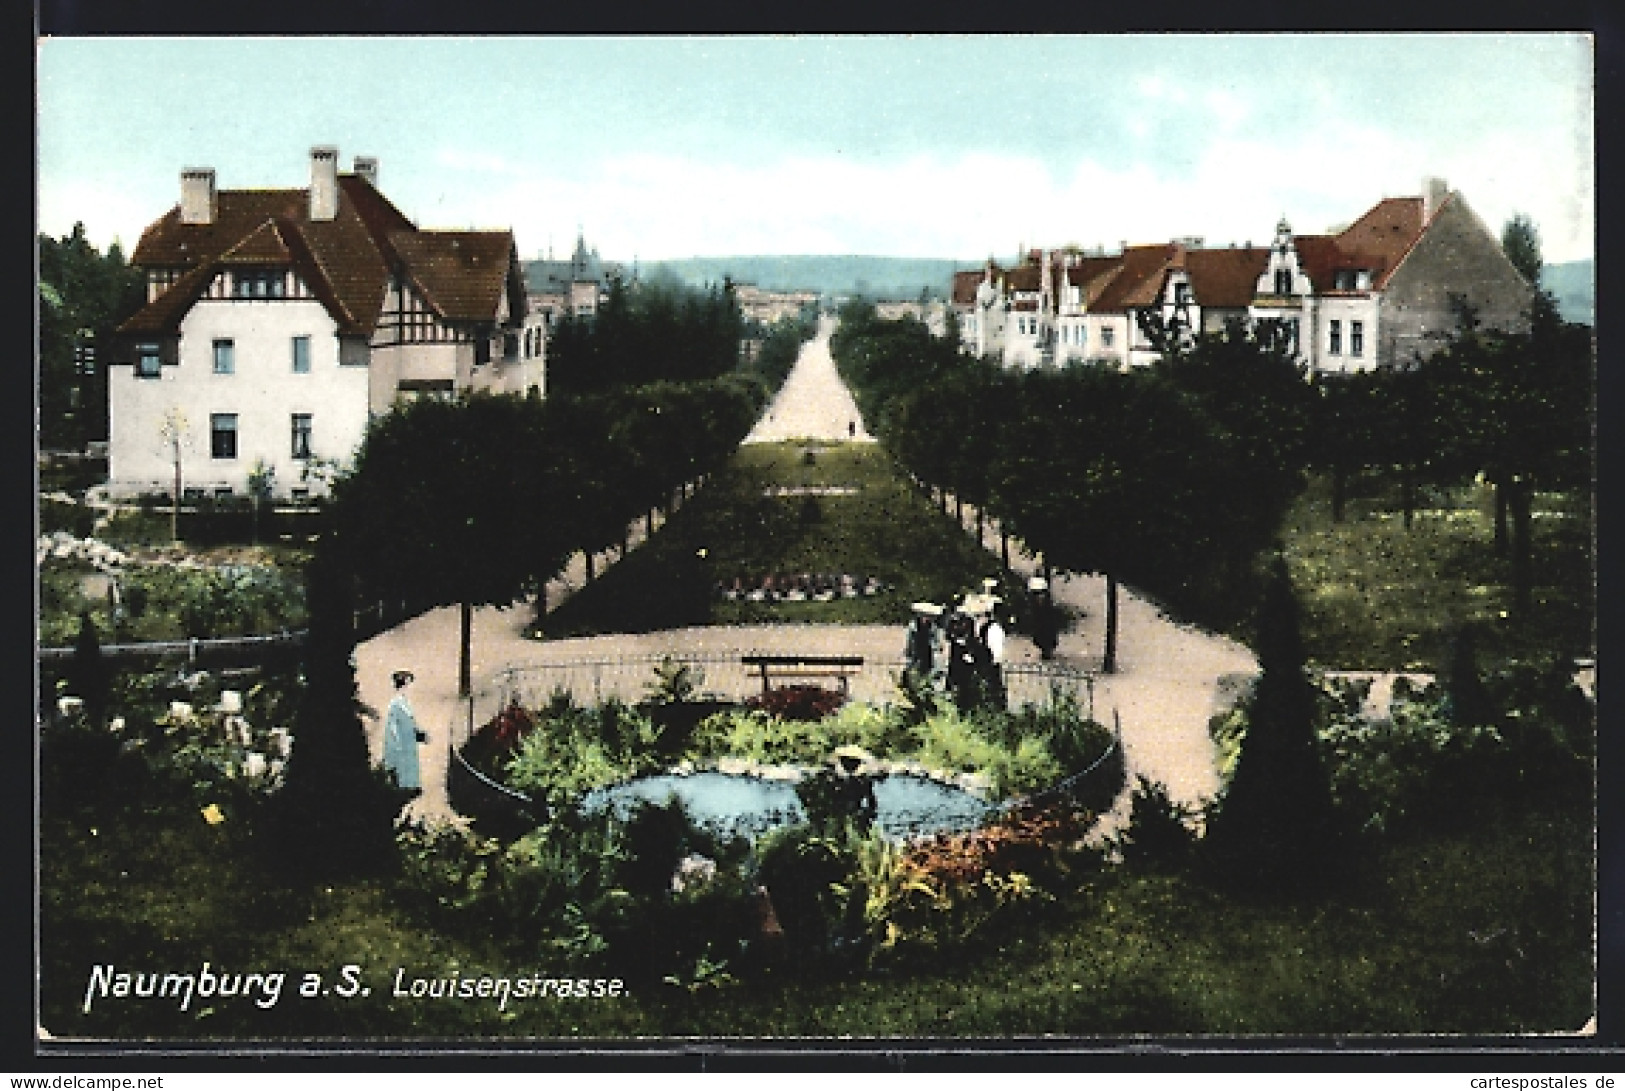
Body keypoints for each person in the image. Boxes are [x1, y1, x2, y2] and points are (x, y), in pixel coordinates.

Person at [382, 669, 426, 797]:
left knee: (411, 765)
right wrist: (396, 744)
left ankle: (412, 787)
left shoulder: (405, 702)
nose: (410, 688)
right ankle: (404, 790)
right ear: (403, 685)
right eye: (408, 684)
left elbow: (410, 721)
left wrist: (418, 733)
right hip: (401, 744)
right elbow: (392, 727)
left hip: (409, 742)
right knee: (403, 767)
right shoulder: (395, 704)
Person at [904, 602, 941, 683]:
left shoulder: (933, 627)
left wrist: (936, 649)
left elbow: (937, 642)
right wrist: (908, 652)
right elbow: (910, 640)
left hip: (928, 653)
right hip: (916, 652)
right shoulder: (913, 626)